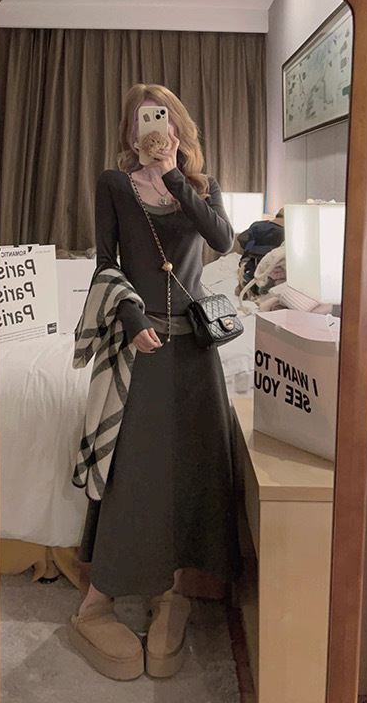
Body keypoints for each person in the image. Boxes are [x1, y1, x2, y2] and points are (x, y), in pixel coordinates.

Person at [69, 83, 240, 681]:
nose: (152, 127)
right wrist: (130, 315)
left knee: (191, 467)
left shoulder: (200, 187)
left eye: (161, 118)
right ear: (130, 129)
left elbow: (223, 241)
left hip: (195, 352)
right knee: (133, 469)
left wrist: (172, 176)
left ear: (177, 125)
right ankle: (98, 600)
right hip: (142, 347)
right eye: (143, 119)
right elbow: (106, 262)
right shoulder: (114, 184)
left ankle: (172, 592)